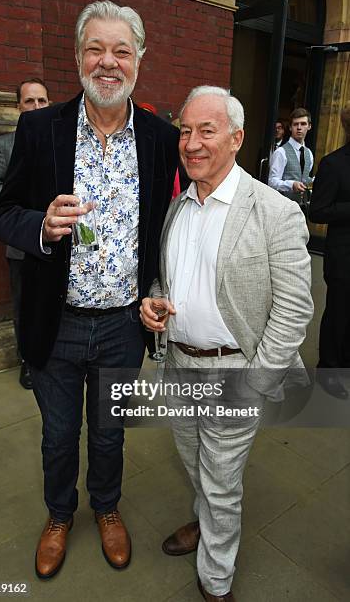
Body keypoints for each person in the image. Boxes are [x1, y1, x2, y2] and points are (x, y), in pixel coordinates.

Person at [0, 0, 179, 579]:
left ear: (139, 61)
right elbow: (4, 211)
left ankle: (106, 508)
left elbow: (167, 225)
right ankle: (58, 515)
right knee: (57, 436)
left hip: (124, 323)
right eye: (96, 48)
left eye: (121, 50)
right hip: (59, 319)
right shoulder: (39, 128)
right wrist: (40, 227)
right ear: (77, 57)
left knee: (109, 432)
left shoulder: (160, 136)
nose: (108, 61)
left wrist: (154, 286)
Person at [140, 86, 313, 601]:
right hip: (179, 366)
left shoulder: (273, 212)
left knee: (220, 478)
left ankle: (216, 580)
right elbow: (168, 281)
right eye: (185, 131)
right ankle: (203, 520)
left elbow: (294, 308)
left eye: (206, 131)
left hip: (234, 371)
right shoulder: (178, 209)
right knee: (195, 460)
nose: (190, 143)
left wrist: (257, 381)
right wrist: (155, 303)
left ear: (236, 139)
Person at [0, 78, 50, 390]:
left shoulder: (60, 142)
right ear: (18, 107)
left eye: (42, 101)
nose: (36, 107)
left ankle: (54, 355)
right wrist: (24, 201)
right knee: (24, 304)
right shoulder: (3, 145)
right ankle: (27, 361)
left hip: (60, 242)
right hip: (22, 243)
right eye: (30, 101)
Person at [309, 103, 350, 399]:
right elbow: (318, 211)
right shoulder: (334, 164)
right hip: (343, 256)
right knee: (339, 313)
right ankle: (329, 370)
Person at [268, 107, 313, 203]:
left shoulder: (309, 153)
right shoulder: (281, 152)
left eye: (303, 124)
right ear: (290, 127)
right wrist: (291, 185)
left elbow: (303, 177)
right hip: (283, 205)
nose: (299, 127)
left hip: (302, 207)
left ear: (309, 126)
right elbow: (272, 182)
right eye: (296, 124)